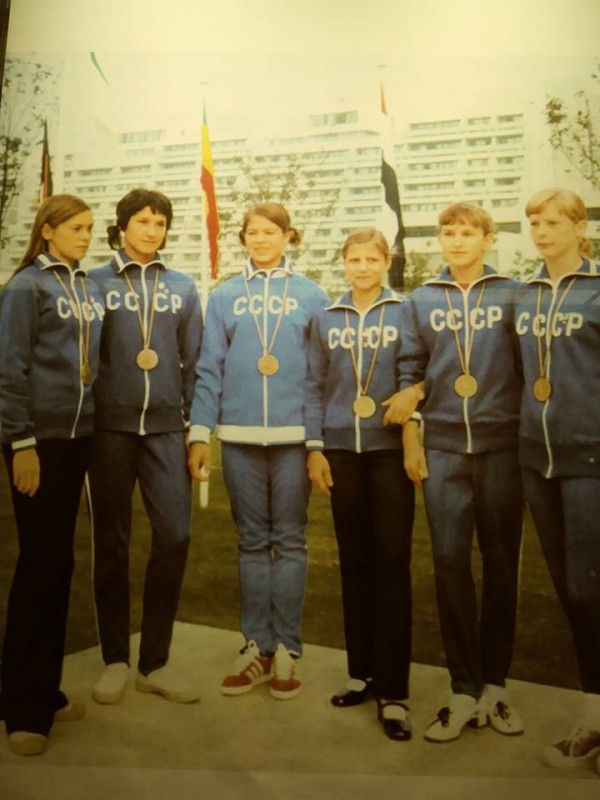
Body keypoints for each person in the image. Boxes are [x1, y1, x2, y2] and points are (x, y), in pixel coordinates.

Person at [188, 202, 329, 699]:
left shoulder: (312, 294)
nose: (261, 239)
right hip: (239, 438)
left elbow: (320, 375)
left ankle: (286, 649)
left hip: (293, 438)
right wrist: (200, 432)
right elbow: (209, 366)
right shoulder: (225, 295)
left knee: (289, 540)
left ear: (289, 236)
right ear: (243, 238)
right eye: (253, 232)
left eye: (271, 231)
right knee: (251, 541)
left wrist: (316, 442)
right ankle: (255, 647)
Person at [399, 202, 524, 742]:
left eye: (468, 232)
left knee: (501, 565)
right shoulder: (423, 298)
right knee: (450, 565)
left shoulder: (513, 293)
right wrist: (412, 433)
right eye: (448, 232)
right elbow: (410, 370)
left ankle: (496, 685)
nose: (457, 240)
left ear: (488, 239)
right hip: (445, 446)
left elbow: (529, 366)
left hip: (501, 447)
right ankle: (463, 689)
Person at [88, 188, 202, 706]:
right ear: (122, 226)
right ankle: (115, 659)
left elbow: (194, 363)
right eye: (142, 221)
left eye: (160, 223)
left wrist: (196, 431)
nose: (152, 231)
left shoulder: (182, 287)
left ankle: (154, 662)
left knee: (175, 536)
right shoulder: (95, 282)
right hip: (108, 430)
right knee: (111, 542)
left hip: (165, 430)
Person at [305, 229, 419, 740]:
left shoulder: (405, 311)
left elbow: (418, 372)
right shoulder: (327, 317)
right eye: (355, 259)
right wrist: (314, 447)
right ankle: (362, 673)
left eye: (372, 259)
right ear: (344, 262)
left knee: (392, 561)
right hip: (340, 451)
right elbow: (313, 383)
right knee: (353, 562)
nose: (363, 267)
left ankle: (393, 691)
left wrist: (413, 404)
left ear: (386, 261)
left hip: (388, 451)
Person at [0, 195, 104, 755]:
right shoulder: (25, 287)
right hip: (36, 442)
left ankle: (45, 687)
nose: (85, 236)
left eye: (89, 228)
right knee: (40, 564)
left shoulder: (85, 286)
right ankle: (22, 707)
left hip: (76, 439)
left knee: (59, 564)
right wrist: (21, 441)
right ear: (47, 231)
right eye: (76, 228)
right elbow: (8, 368)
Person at [515, 188, 600, 771]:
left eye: (552, 222)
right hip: (536, 461)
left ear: (579, 227)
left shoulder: (596, 290)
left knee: (590, 588)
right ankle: (594, 713)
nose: (542, 232)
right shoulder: (524, 295)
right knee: (571, 592)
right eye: (534, 223)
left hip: (589, 457)